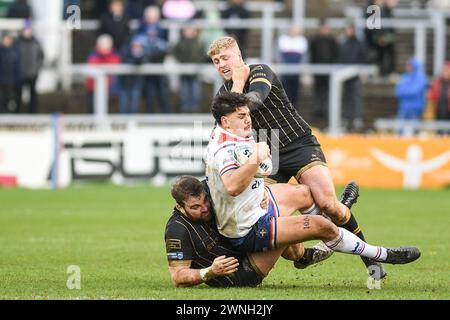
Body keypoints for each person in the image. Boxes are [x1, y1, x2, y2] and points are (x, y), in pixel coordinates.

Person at [207, 36, 386, 278]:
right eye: (216, 61)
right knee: (266, 219)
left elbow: (253, 102)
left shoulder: (260, 71)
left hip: (297, 144)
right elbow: (222, 129)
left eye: (225, 57)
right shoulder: (223, 93)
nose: (221, 64)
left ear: (238, 55)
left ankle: (371, 261)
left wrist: (238, 83)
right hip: (268, 157)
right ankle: (303, 256)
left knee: (330, 206)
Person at [202, 92, 420, 283]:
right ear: (225, 121)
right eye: (241, 116)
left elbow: (253, 172)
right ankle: (381, 254)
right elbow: (231, 185)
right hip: (247, 228)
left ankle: (314, 248)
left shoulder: (231, 133)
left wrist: (258, 186)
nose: (248, 120)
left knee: (305, 193)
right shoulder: (226, 147)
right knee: (320, 226)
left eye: (248, 114)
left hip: (253, 209)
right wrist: (257, 157)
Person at [165, 176, 324, 287]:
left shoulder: (212, 187)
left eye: (205, 201)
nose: (205, 208)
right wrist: (210, 271)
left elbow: (242, 182)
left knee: (299, 193)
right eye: (195, 207)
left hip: (244, 241)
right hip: (237, 273)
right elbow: (178, 277)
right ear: (180, 207)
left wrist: (259, 193)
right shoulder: (177, 229)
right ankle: (324, 237)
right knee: (277, 219)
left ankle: (314, 243)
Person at [338, 24, 367, 132]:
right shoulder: (344, 44)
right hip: (345, 75)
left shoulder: (359, 43)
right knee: (346, 97)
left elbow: (363, 57)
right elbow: (340, 57)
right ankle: (346, 119)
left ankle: (357, 118)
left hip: (355, 74)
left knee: (356, 97)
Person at [309, 19, 338, 120]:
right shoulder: (314, 40)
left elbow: (335, 54)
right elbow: (312, 55)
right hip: (317, 71)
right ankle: (318, 110)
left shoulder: (332, 40)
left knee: (328, 91)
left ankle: (327, 111)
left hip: (329, 71)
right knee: (317, 91)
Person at [16, 21, 44, 114]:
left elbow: (41, 56)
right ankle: (18, 114)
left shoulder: (36, 42)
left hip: (32, 73)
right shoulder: (18, 42)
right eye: (26, 30)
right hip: (20, 73)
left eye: (29, 30)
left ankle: (32, 114)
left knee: (33, 96)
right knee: (18, 95)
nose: (28, 32)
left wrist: (36, 68)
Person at [277, 24, 308, 109]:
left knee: (295, 90)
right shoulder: (283, 39)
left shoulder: (302, 40)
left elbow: (302, 55)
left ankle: (293, 106)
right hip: (286, 70)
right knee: (285, 89)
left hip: (296, 70)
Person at [395, 58, 428, 136]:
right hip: (404, 107)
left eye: (410, 65)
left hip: (415, 108)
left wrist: (405, 92)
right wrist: (407, 92)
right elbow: (398, 91)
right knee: (400, 129)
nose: (408, 67)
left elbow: (415, 91)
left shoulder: (421, 78)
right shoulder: (405, 77)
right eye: (407, 65)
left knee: (415, 129)